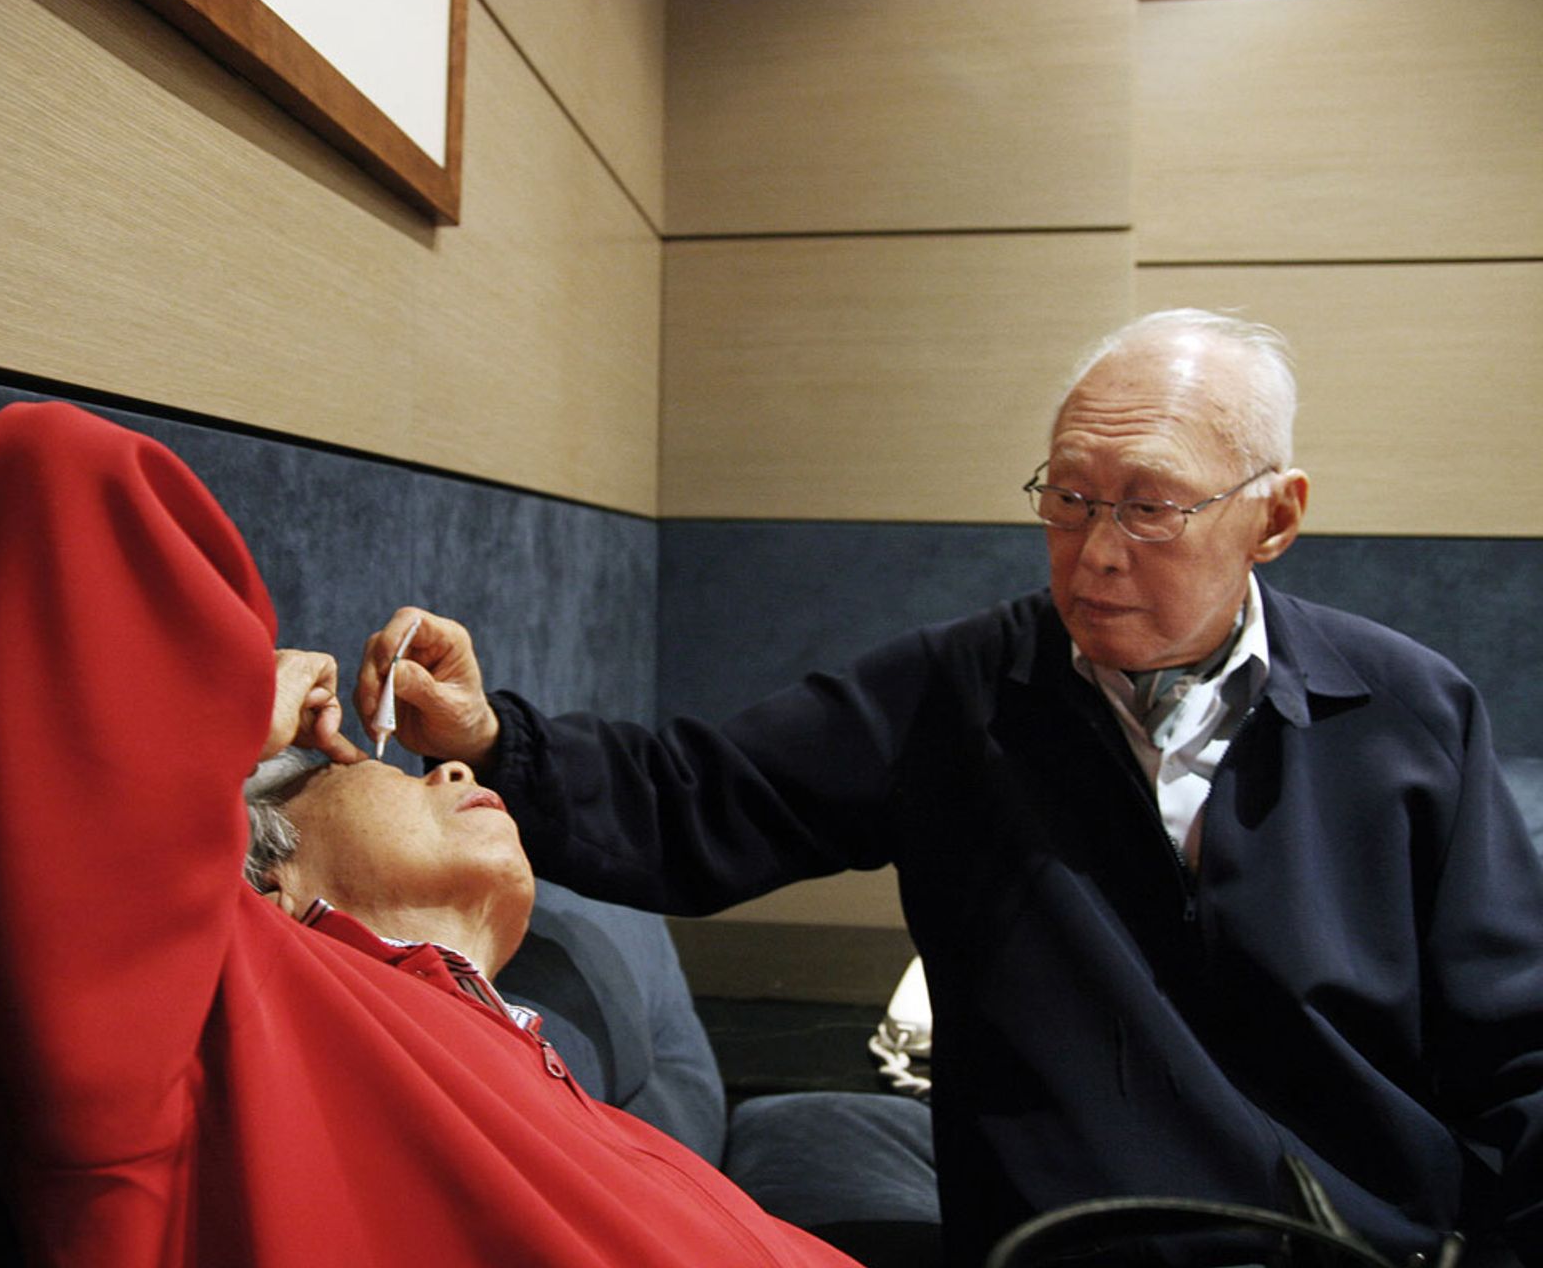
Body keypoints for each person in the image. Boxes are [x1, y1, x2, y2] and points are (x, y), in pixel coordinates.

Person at [356, 310, 1543, 1266]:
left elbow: (1519, 1050)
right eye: (1068, 497)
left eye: (1150, 505)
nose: (1095, 552)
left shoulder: (1409, 711)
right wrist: (492, 732)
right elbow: (694, 799)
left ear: (1273, 517)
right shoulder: (958, 692)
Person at [0, 400, 860, 1266]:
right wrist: (221, 720)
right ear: (263, 870)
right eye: (388, 765)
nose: (453, 766)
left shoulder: (530, 1058)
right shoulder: (198, 1018)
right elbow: (45, 469)